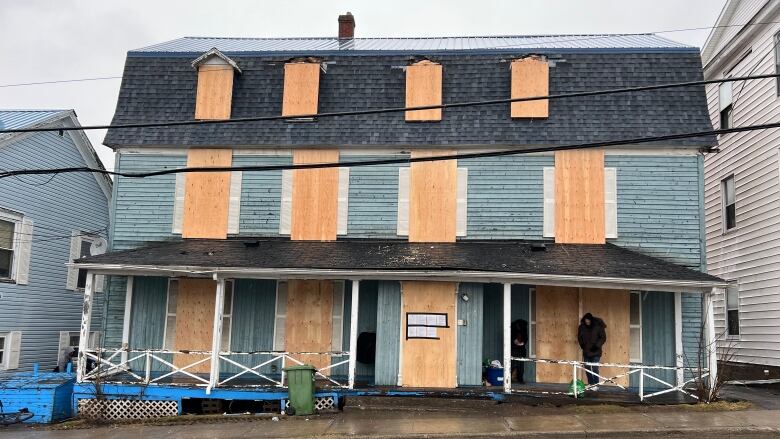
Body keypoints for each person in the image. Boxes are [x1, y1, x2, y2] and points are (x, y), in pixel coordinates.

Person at [577, 313, 607, 389]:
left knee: (594, 368)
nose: (587, 321)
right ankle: (591, 384)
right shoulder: (582, 327)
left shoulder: (598, 326)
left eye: (588, 320)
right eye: (586, 320)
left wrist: (596, 346)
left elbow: (603, 338)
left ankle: (596, 385)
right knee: (587, 368)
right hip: (586, 351)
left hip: (596, 351)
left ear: (591, 320)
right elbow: (579, 338)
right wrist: (582, 346)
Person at [510, 319, 529, 384]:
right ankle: (509, 378)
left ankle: (520, 379)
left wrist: (522, 343)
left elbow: (525, 339)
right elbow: (512, 339)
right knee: (512, 364)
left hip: (521, 350)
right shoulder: (513, 330)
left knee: (520, 365)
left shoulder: (524, 330)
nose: (518, 327)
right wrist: (515, 341)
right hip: (514, 349)